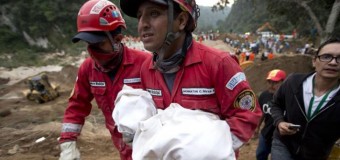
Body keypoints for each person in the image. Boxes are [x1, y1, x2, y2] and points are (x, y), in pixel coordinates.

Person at [120, 0, 262, 155]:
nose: (143, 24)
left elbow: (247, 114)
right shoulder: (147, 69)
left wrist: (209, 149)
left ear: (181, 21)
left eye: (154, 13)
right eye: (140, 16)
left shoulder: (218, 64)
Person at [58, 0, 150, 160]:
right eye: (88, 44)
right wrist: (68, 142)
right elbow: (77, 106)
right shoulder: (88, 69)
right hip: (123, 148)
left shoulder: (145, 64)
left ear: (117, 39)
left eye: (98, 44)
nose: (92, 50)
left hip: (151, 146)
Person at [271, 37, 340, 160]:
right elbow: (276, 104)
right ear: (314, 61)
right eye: (326, 57)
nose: (333, 62)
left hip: (316, 154)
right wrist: (279, 122)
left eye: (339, 58)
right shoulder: (293, 82)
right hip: (284, 145)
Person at [256, 69, 286, 160]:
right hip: (266, 133)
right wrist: (257, 127)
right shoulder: (264, 95)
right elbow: (261, 112)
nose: (271, 85)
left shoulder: (289, 97)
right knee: (260, 155)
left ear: (283, 82)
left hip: (282, 137)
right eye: (269, 82)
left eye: (275, 82)